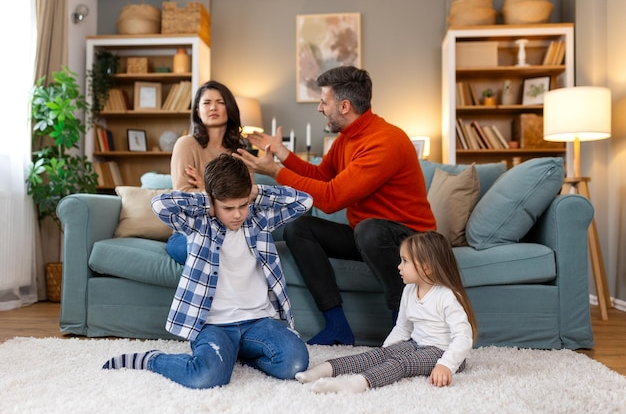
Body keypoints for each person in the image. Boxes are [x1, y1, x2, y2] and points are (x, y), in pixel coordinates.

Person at [235, 66, 436, 346]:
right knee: (300, 227)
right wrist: (282, 155)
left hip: (413, 240)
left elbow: (330, 199)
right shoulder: (346, 139)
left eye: (323, 101)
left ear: (344, 106)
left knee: (369, 230)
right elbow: (320, 176)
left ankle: (404, 330)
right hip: (368, 235)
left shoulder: (384, 141)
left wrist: (275, 172)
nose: (319, 108)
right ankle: (337, 327)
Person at [102, 154, 313, 389]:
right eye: (228, 207)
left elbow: (304, 201)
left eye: (242, 205)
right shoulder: (199, 225)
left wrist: (255, 193)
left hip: (257, 321)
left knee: (295, 362)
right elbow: (160, 204)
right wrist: (206, 201)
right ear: (213, 202)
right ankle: (154, 360)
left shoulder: (258, 220)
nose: (237, 214)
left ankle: (234, 355)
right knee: (205, 377)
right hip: (214, 325)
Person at [295, 231, 477, 393]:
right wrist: (385, 352)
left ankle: (356, 384)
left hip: (442, 352)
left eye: (405, 261)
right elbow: (403, 328)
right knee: (377, 355)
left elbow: (463, 337)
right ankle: (322, 370)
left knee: (400, 364)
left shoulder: (447, 296)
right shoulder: (409, 290)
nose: (399, 266)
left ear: (426, 267)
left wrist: (446, 365)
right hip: (417, 344)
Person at [166, 80, 248, 265]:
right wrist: (222, 196)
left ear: (230, 108)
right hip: (189, 232)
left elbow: (245, 198)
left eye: (220, 102)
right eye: (206, 103)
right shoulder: (186, 144)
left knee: (245, 253)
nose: (213, 107)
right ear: (197, 111)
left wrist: (205, 187)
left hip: (230, 230)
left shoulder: (240, 152)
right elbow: (183, 197)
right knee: (206, 253)